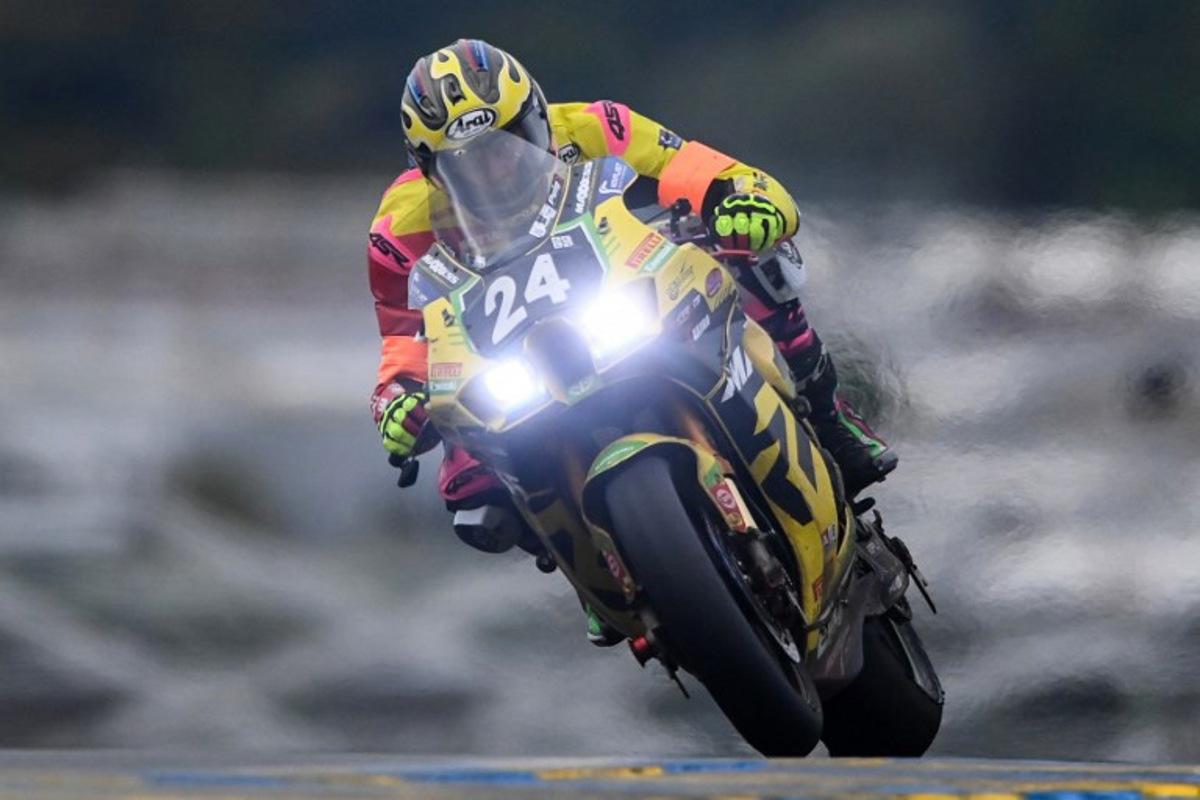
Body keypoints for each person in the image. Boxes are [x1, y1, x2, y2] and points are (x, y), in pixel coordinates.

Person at [367, 39, 897, 639]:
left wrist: (742, 200)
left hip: (624, 288)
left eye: (509, 144)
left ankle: (830, 415)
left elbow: (703, 170)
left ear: (537, 116)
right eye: (467, 163)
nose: (495, 169)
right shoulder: (397, 226)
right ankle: (589, 568)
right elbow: (406, 336)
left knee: (754, 260)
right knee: (471, 487)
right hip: (515, 352)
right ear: (430, 169)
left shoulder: (600, 125)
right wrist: (398, 398)